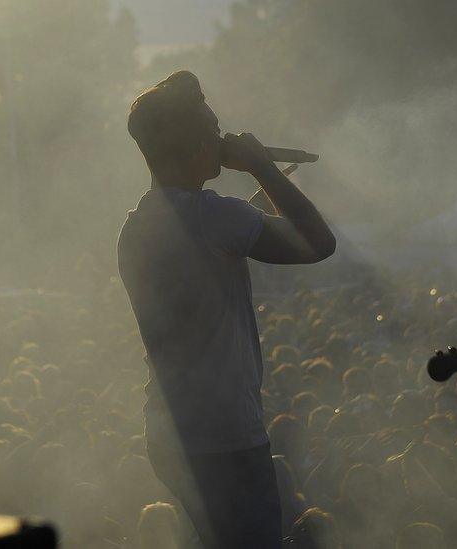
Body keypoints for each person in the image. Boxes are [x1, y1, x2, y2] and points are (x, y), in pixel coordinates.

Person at [117, 70, 336, 548]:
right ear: (195, 145)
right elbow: (318, 243)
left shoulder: (138, 224)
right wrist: (263, 167)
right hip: (225, 434)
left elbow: (213, 244)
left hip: (174, 430)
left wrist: (260, 197)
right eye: (214, 131)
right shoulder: (211, 216)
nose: (223, 139)